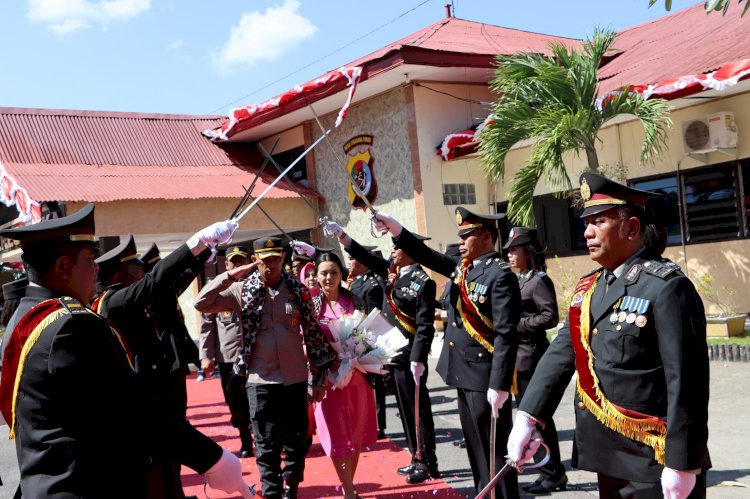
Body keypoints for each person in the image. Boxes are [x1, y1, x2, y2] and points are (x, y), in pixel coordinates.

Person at [0, 204, 250, 498]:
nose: (96, 269)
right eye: (91, 259)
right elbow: (136, 409)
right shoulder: (72, 324)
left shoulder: (26, 316)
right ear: (63, 267)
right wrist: (214, 460)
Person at [507, 172, 710, 499]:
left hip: (652, 459)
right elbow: (562, 352)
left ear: (631, 228)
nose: (587, 231)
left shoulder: (666, 286)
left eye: (598, 221)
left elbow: (687, 382)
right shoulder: (588, 288)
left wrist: (684, 462)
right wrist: (528, 417)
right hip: (607, 453)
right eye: (586, 222)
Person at [372, 208, 521, 498]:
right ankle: (483, 493)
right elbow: (427, 255)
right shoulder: (464, 269)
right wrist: (397, 230)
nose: (461, 241)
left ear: (487, 237)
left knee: (494, 450)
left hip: (484, 376)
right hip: (464, 373)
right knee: (477, 449)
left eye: (468, 235)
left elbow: (506, 334)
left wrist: (500, 384)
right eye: (461, 236)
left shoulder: (499, 275)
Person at [194, 236, 338, 499]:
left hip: (294, 379)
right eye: (265, 260)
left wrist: (318, 377)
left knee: (296, 444)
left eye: (275, 259)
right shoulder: (242, 289)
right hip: (260, 382)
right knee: (266, 447)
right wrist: (230, 276)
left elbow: (314, 334)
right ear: (254, 261)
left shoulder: (297, 289)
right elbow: (201, 303)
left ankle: (291, 488)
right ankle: (272, 494)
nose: (270, 265)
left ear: (283, 259)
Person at [322, 222, 439, 484]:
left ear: (411, 251)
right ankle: (415, 457)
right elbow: (364, 256)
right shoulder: (392, 274)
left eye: (398, 248)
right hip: (392, 354)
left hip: (409, 356)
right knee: (406, 410)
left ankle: (428, 462)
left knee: (418, 411)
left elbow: (424, 325)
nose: (393, 252)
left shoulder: (423, 282)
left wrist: (418, 358)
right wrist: (343, 236)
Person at [504, 227, 567, 494]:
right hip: (519, 360)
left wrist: (516, 325)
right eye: (508, 250)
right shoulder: (520, 279)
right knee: (529, 418)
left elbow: (550, 317)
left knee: (538, 418)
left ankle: (553, 474)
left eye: (514, 250)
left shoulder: (538, 281)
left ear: (528, 253)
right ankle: (549, 471)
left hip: (532, 357)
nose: (509, 255)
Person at [312, 251, 377, 499]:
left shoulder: (356, 301)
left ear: (342, 274)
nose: (329, 277)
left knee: (356, 434)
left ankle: (349, 484)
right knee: (337, 436)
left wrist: (357, 357)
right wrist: (329, 364)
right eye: (324, 273)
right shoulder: (311, 305)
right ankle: (349, 491)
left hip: (358, 377)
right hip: (328, 381)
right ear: (316, 276)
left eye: (334, 272)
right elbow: (305, 341)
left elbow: (368, 335)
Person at [199, 245, 255, 458]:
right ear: (227, 265)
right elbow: (207, 325)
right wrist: (206, 356)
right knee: (235, 400)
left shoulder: (255, 287)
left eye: (241, 260)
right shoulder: (218, 291)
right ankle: (244, 438)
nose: (238, 265)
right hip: (228, 357)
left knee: (256, 397)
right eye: (234, 261)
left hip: (254, 355)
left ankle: (258, 435)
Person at [345, 246, 389, 439]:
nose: (348, 264)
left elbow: (374, 317)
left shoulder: (372, 285)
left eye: (351, 259)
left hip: (368, 340)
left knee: (375, 385)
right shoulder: (355, 283)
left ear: (362, 262)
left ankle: (379, 424)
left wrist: (362, 341)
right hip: (354, 339)